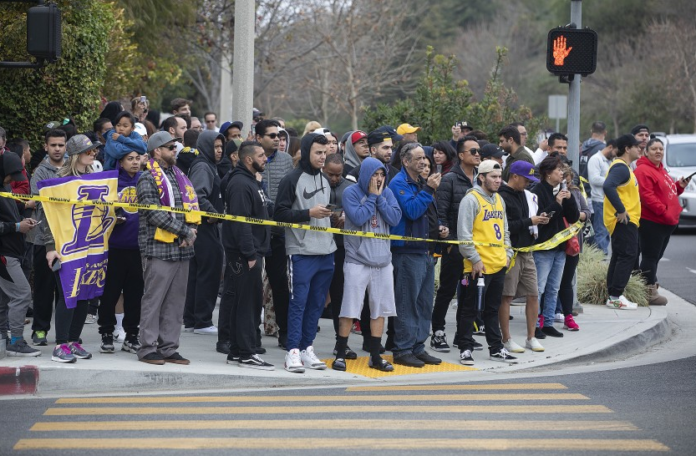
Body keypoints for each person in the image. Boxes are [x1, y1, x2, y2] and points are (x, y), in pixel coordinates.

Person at [274, 133, 336, 373]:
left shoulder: (324, 177)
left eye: (325, 152)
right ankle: (292, 352)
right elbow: (279, 214)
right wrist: (308, 213)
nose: (323, 157)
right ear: (307, 150)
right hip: (301, 251)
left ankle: (306, 348)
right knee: (298, 303)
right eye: (318, 153)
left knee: (316, 305)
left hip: (326, 250)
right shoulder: (292, 179)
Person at [333, 157, 401, 372]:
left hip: (382, 261)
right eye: (375, 175)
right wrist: (372, 196)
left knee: (379, 311)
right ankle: (341, 353)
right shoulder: (351, 193)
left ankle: (374, 355)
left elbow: (394, 218)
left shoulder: (387, 192)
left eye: (382, 175)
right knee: (350, 308)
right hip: (357, 260)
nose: (379, 179)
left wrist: (379, 198)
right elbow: (358, 216)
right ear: (365, 175)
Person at [136, 131, 199, 365]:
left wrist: (191, 230)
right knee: (154, 300)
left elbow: (191, 207)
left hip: (182, 248)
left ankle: (169, 347)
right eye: (171, 147)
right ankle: (147, 348)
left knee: (175, 302)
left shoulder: (180, 175)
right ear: (157, 151)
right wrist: (185, 231)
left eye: (176, 147)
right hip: (158, 249)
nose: (175, 151)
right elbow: (154, 214)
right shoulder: (146, 178)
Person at [44, 135, 103, 363]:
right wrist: (50, 247)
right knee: (68, 295)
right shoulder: (60, 180)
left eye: (95, 150)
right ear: (77, 154)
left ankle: (73, 341)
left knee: (84, 295)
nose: (94, 153)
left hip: (87, 246)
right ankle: (60, 345)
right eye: (89, 151)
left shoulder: (93, 178)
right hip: (64, 247)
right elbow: (48, 216)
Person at [389, 142, 442, 368]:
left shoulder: (421, 181)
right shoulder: (398, 183)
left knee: (423, 303)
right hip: (407, 251)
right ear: (406, 161)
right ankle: (402, 349)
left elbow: (428, 213)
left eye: (425, 157)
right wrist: (428, 189)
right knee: (407, 303)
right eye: (418, 158)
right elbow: (411, 211)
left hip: (426, 250)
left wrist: (439, 227)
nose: (423, 161)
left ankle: (418, 347)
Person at [221, 141, 274, 370]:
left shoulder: (250, 181)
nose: (265, 159)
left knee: (244, 302)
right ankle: (246, 353)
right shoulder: (241, 184)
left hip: (248, 252)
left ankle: (236, 350)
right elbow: (240, 223)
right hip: (245, 254)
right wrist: (250, 254)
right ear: (248, 159)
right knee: (248, 305)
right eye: (261, 155)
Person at [456, 160, 515, 365]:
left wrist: (508, 254)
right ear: (481, 177)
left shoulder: (499, 199)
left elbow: (505, 230)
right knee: (470, 309)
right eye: (493, 177)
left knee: (492, 309)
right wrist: (474, 259)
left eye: (499, 177)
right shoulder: (471, 200)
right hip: (477, 266)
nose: (498, 181)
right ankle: (465, 348)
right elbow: (464, 235)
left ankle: (496, 348)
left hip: (498, 264)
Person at [431, 135, 479, 352]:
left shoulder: (481, 179)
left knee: (468, 292)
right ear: (461, 155)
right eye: (473, 151)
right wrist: (448, 243)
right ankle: (438, 332)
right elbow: (441, 212)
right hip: (454, 247)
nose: (477, 155)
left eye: (479, 151)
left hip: (475, 248)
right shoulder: (449, 179)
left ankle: (463, 335)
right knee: (447, 290)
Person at [498, 161, 547, 354]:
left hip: (528, 250)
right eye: (526, 179)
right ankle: (506, 339)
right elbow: (505, 226)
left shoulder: (526, 195)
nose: (528, 183)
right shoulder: (502, 196)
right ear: (515, 176)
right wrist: (530, 221)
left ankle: (531, 337)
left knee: (534, 294)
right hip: (511, 252)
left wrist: (537, 221)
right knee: (507, 296)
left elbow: (526, 221)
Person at [634, 137, 690, 306]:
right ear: (646, 152)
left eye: (661, 149)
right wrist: (664, 212)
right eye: (654, 149)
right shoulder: (643, 170)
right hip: (653, 222)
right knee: (650, 257)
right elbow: (647, 197)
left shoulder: (660, 170)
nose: (658, 152)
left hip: (665, 222)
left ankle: (650, 285)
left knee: (655, 257)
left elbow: (668, 192)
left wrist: (679, 186)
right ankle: (648, 292)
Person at [98, 151, 145, 354]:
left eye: (137, 159)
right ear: (120, 161)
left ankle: (131, 336)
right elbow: (98, 210)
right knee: (110, 294)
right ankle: (107, 333)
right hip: (114, 247)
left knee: (135, 295)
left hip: (139, 248)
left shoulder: (146, 180)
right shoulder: (110, 181)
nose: (134, 163)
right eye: (130, 159)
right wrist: (111, 219)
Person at [531, 155, 579, 338]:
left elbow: (573, 217)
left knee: (554, 288)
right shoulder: (537, 191)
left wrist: (569, 199)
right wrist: (558, 202)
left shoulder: (562, 189)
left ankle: (548, 323)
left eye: (563, 170)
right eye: (559, 170)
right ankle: (534, 324)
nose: (562, 173)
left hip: (560, 248)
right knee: (539, 288)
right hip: (543, 248)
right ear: (548, 173)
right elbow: (543, 217)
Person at [183, 131, 226, 335]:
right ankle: (202, 321)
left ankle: (192, 319)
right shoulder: (203, 166)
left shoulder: (209, 165)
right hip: (205, 226)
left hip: (204, 227)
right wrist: (214, 213)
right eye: (215, 147)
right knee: (208, 273)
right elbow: (198, 195)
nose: (219, 151)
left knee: (198, 274)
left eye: (221, 147)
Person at [256, 119, 294, 349]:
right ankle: (249, 333)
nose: (277, 139)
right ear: (258, 137)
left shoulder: (287, 160)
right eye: (271, 135)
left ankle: (285, 332)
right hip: (255, 232)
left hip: (279, 232)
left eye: (279, 135)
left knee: (280, 284)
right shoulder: (250, 157)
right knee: (252, 287)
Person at [0, 152, 40, 357]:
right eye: (11, 175)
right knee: (22, 294)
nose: (13, 180)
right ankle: (16, 340)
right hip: (5, 255)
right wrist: (17, 227)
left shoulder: (5, 187)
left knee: (4, 299)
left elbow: (10, 209)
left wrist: (23, 218)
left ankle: (4, 339)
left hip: (12, 252)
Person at [28, 129, 66, 346]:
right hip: (43, 239)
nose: (57, 149)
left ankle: (65, 332)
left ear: (66, 146)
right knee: (43, 288)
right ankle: (40, 330)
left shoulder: (72, 168)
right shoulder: (40, 172)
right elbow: (39, 202)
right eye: (53, 145)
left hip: (68, 240)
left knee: (66, 289)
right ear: (46, 147)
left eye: (61, 145)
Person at [323, 153, 357, 359]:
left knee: (340, 297)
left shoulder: (350, 188)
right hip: (318, 247)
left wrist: (347, 216)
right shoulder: (317, 184)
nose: (334, 179)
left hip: (342, 248)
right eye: (330, 174)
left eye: (338, 175)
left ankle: (340, 342)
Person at [603, 134, 643, 310]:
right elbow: (607, 186)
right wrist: (621, 210)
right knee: (627, 255)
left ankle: (613, 294)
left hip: (624, 221)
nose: (640, 149)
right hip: (624, 220)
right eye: (637, 146)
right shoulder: (621, 168)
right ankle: (615, 296)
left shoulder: (624, 167)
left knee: (620, 256)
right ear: (627, 148)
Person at [557, 164, 590, 331]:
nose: (566, 186)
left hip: (572, 243)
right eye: (563, 182)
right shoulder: (548, 192)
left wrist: (580, 215)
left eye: (568, 183)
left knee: (566, 281)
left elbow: (586, 211)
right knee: (550, 283)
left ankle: (568, 315)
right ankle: (548, 314)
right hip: (554, 244)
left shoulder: (575, 192)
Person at [587, 139, 616, 255]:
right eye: (615, 152)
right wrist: (613, 181)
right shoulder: (596, 159)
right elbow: (594, 179)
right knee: (601, 230)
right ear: (610, 147)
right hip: (599, 200)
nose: (616, 155)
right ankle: (600, 257)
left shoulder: (609, 160)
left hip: (609, 200)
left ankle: (602, 253)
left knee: (606, 230)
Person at [580, 121, 607, 194]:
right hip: (596, 193)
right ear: (605, 132)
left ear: (591, 131)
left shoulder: (581, 147)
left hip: (581, 191)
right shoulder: (604, 150)